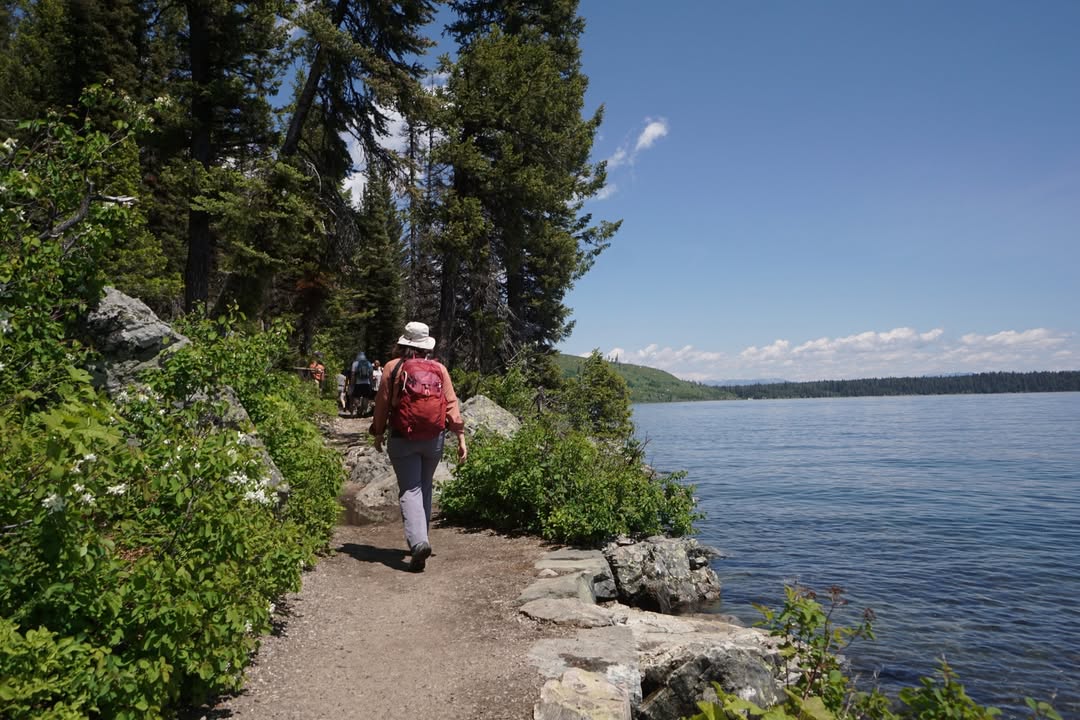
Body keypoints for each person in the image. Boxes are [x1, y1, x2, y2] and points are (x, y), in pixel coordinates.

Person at [370, 322, 467, 572]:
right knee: (424, 486)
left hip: (403, 437)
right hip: (434, 438)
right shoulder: (439, 369)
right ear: (426, 345)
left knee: (410, 489)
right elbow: (451, 403)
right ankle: (421, 538)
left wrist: (378, 433)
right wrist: (460, 438)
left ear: (404, 342)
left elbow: (381, 405)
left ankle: (419, 542)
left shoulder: (393, 367)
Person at [348, 351, 374, 416]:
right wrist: (371, 384)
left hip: (358, 383)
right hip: (366, 383)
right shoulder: (369, 363)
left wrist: (352, 383)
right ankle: (363, 411)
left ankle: (358, 405)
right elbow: (371, 375)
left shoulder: (355, 363)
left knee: (356, 396)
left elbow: (353, 375)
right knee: (365, 397)